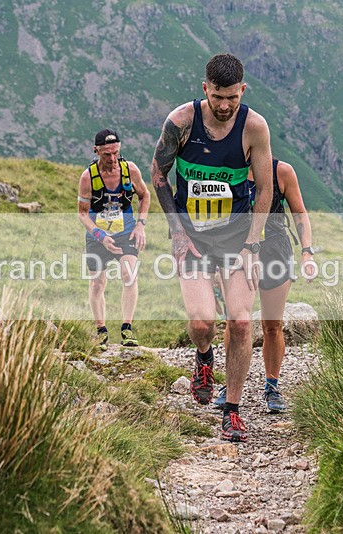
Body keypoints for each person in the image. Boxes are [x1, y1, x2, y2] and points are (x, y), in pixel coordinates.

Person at [151, 53, 273, 442]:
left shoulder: (254, 128)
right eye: (218, 97)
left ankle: (232, 410)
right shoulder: (181, 122)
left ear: (243, 91)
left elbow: (266, 188)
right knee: (202, 322)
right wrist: (177, 233)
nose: (224, 106)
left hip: (238, 240)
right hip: (195, 239)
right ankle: (204, 358)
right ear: (205, 88)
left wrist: (253, 245)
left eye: (232, 99)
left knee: (240, 323)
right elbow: (158, 174)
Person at [215, 158, 317, 413]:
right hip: (237, 252)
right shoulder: (225, 168)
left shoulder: (281, 171)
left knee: (273, 325)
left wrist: (307, 252)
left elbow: (299, 212)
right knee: (236, 321)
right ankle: (229, 386)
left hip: (275, 251)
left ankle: (272, 385)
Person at [78, 129, 150, 350]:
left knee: (129, 274)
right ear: (96, 151)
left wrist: (141, 225)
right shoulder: (87, 177)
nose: (111, 159)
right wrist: (100, 236)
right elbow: (82, 213)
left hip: (125, 232)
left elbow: (145, 196)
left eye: (115, 153)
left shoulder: (130, 170)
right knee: (97, 282)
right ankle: (101, 330)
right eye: (106, 154)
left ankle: (127, 328)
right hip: (97, 235)